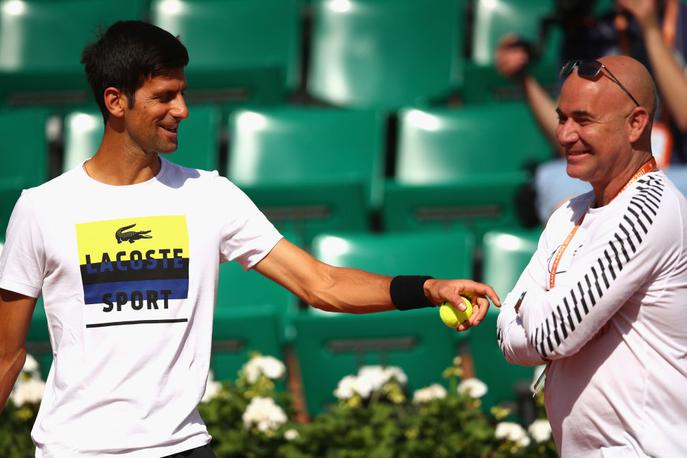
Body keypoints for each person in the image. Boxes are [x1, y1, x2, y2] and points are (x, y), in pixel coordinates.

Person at [0, 21, 499, 458]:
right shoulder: (42, 208)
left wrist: (428, 288)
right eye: (165, 96)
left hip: (183, 448)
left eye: (183, 92)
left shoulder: (209, 195)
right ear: (115, 101)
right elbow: (6, 354)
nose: (184, 109)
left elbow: (320, 283)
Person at [496, 55, 687, 456]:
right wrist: (552, 314)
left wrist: (531, 303)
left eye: (583, 120)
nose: (564, 135)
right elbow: (507, 338)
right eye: (562, 117)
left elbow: (551, 334)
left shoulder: (649, 209)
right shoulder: (568, 213)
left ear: (636, 123)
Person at [496, 0, 687, 222]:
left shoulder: (681, 20)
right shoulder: (592, 31)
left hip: (677, 170)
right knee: (553, 179)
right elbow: (568, 133)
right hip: (609, 170)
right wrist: (524, 80)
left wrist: (650, 27)